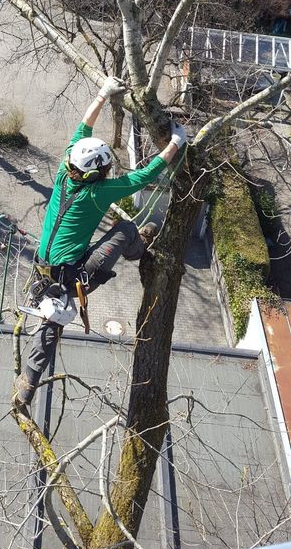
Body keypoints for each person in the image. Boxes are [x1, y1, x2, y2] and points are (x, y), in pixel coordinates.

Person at [13, 76, 187, 409]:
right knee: (122, 231)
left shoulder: (66, 171)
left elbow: (83, 129)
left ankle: (27, 386)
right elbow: (144, 175)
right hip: (73, 275)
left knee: (51, 320)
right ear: (96, 173)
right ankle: (140, 251)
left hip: (44, 270)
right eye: (106, 168)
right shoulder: (97, 193)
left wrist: (103, 94)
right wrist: (177, 142)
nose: (109, 171)